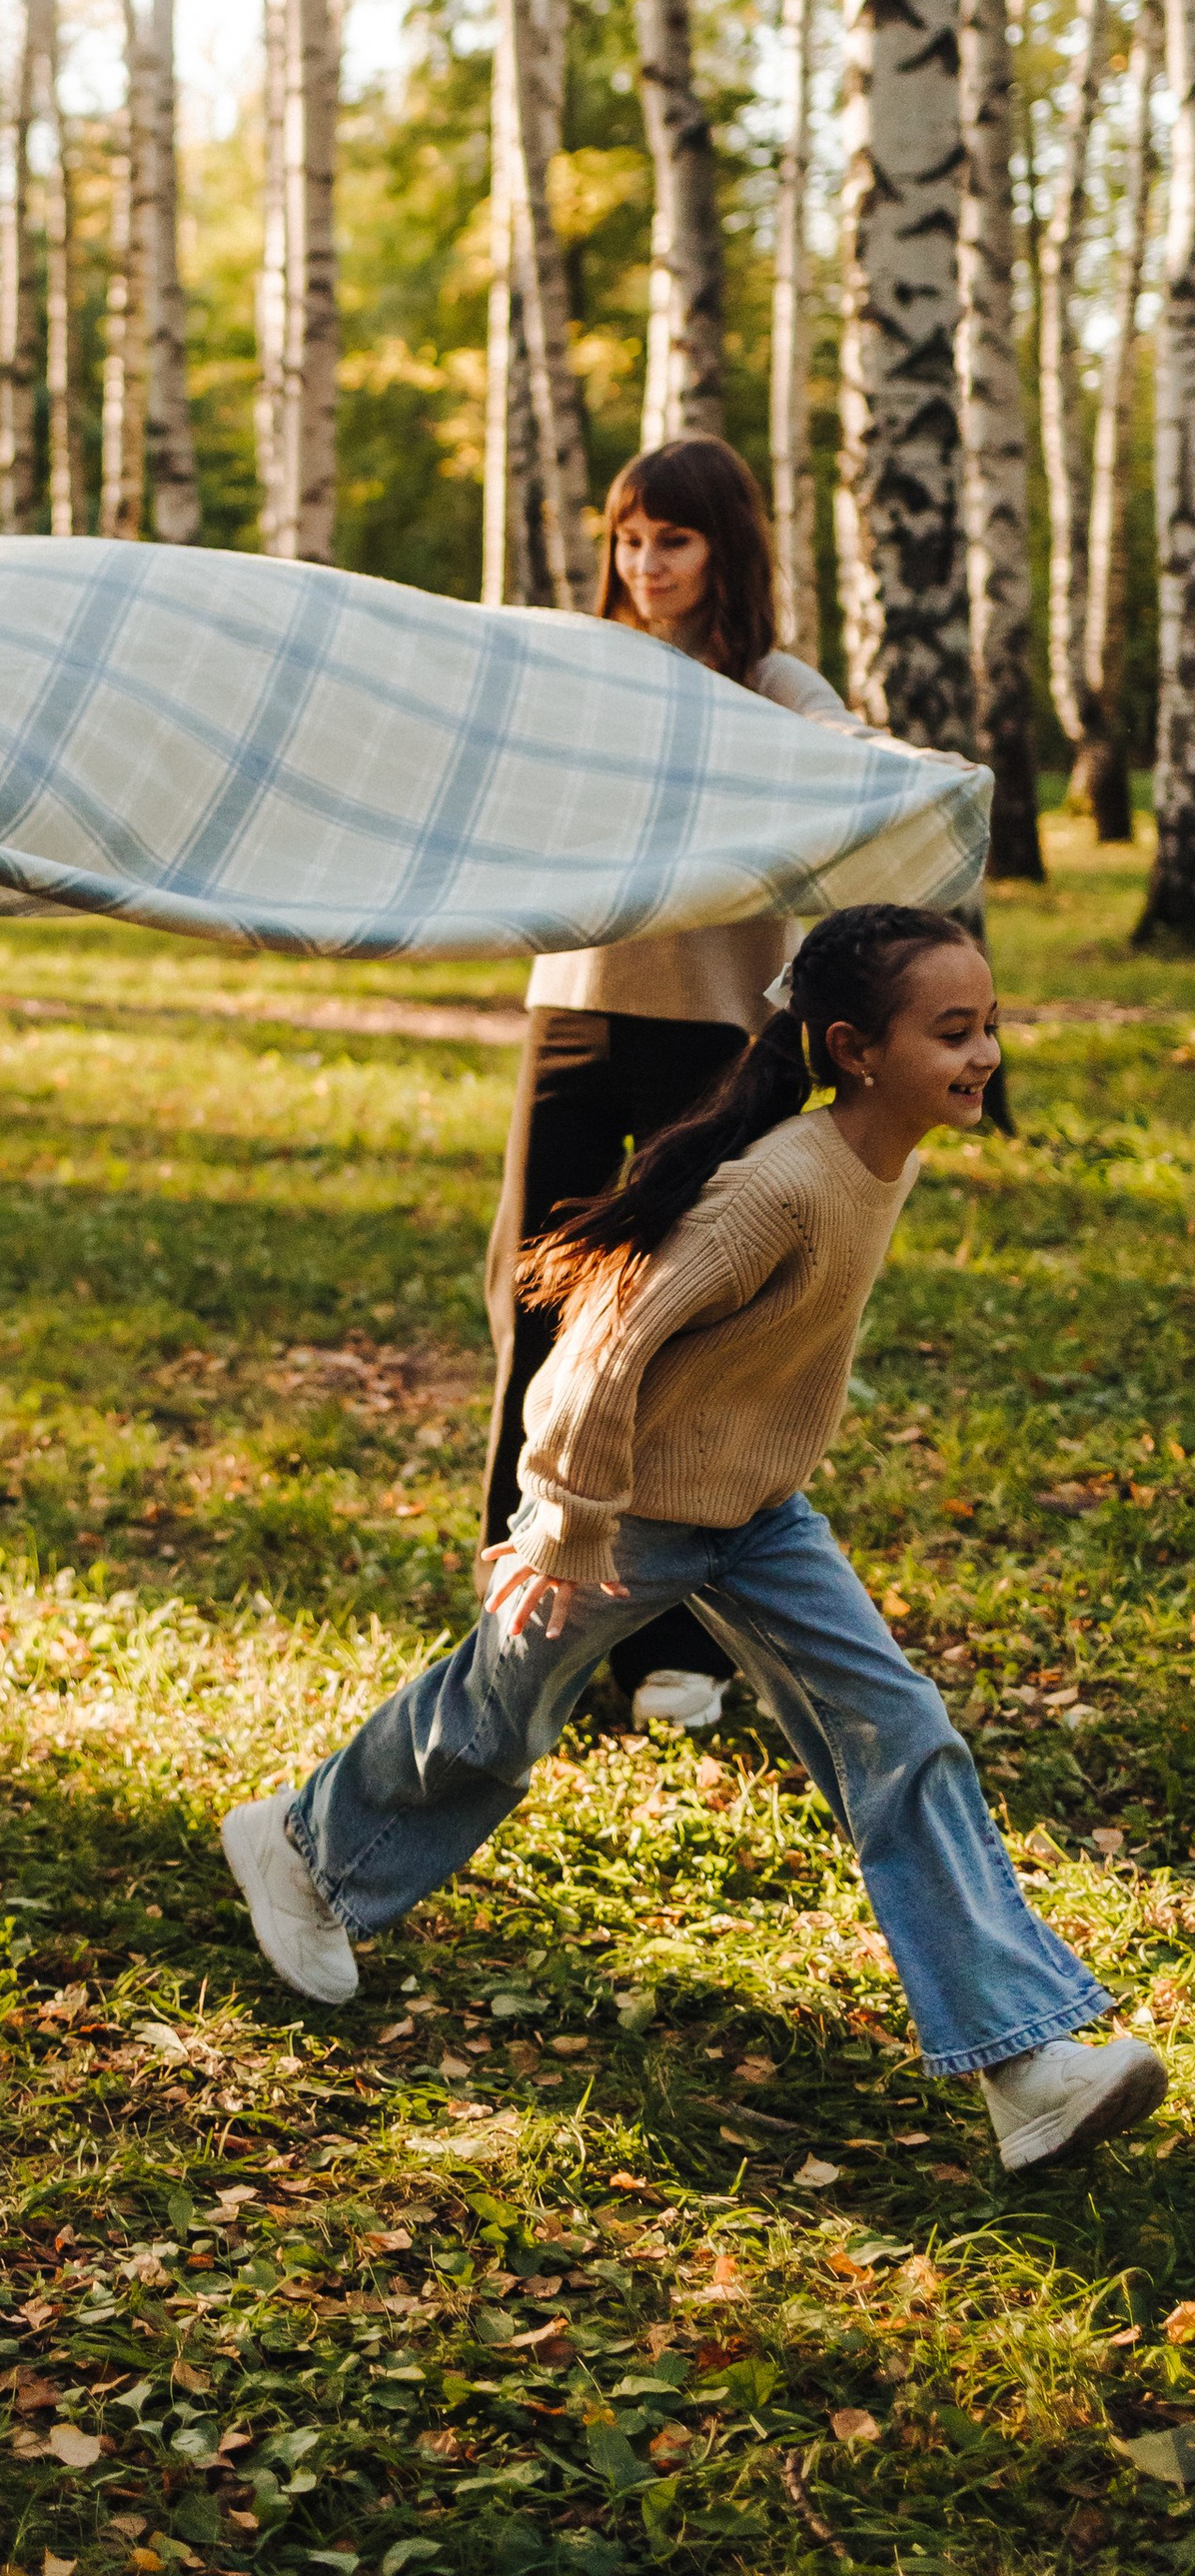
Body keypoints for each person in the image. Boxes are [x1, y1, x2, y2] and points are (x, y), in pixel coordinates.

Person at [221, 904, 1165, 2177]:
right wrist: (559, 1523)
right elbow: (599, 1343)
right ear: (855, 1048)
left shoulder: (887, 1149)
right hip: (632, 1517)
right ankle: (303, 1849)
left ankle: (1027, 2067)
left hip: (760, 1518)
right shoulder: (776, 1187)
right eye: (953, 1031)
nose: (985, 1052)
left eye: (989, 1023)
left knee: (900, 1739)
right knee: (497, 1719)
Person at [484, 435, 864, 1735]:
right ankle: (521, 1623)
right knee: (537, 1310)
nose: (645, 565)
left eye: (674, 540)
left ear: (726, 549)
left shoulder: (769, 683)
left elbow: (849, 765)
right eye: (629, 539)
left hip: (720, 1037)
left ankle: (665, 1646)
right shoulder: (590, 666)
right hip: (578, 1013)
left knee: (685, 1335)